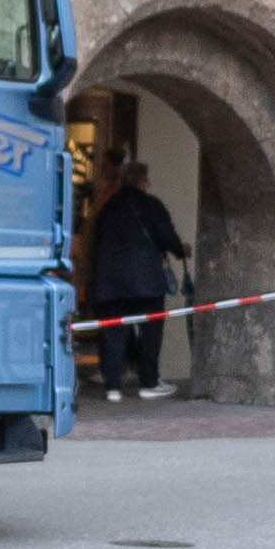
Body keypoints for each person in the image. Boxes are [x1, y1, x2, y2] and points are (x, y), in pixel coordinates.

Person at [81, 156, 185, 399]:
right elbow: (167, 237)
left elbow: (95, 244)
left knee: (113, 332)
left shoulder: (107, 208)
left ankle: (113, 386)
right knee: (150, 331)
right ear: (143, 182)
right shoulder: (151, 205)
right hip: (145, 281)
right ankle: (148, 382)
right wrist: (180, 251)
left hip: (109, 282)